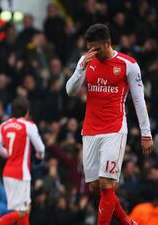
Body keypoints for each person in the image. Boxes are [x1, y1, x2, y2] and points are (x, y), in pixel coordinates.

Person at [66, 23, 154, 225]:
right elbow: (70, 90)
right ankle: (127, 222)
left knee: (107, 183)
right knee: (95, 187)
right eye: (89, 48)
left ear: (107, 43)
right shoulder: (86, 61)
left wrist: (146, 134)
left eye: (95, 48)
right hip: (89, 129)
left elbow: (139, 100)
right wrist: (81, 68)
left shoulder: (128, 64)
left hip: (114, 129)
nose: (92, 52)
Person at [0, 97, 45, 225]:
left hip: (7, 172)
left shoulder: (4, 125)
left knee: (20, 209)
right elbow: (41, 148)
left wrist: (9, 154)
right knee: (23, 211)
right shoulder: (28, 125)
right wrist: (38, 158)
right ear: (27, 112)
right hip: (21, 173)